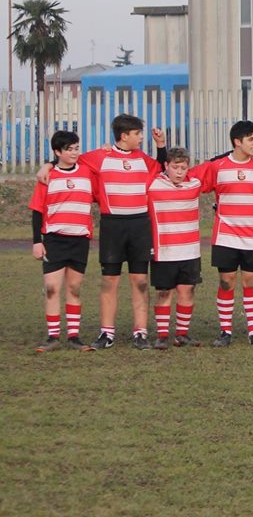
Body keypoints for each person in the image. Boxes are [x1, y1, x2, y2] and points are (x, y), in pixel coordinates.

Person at [38, 114, 167, 350]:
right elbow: (67, 160)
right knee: (109, 281)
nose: (140, 138)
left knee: (140, 281)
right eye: (137, 134)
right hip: (112, 225)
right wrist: (47, 164)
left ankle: (141, 333)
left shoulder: (143, 160)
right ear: (124, 136)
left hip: (139, 225)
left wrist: (161, 146)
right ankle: (107, 333)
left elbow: (163, 168)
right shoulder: (99, 158)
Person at [190, 120, 253, 347]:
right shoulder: (217, 167)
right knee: (227, 282)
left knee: (250, 281)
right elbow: (189, 178)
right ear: (237, 142)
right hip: (225, 235)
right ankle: (225, 331)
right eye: (250, 139)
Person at [29, 130, 96, 352]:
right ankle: (53, 336)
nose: (75, 153)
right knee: (51, 288)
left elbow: (103, 158)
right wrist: (36, 241)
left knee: (74, 288)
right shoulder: (47, 177)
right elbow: (37, 211)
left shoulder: (88, 172)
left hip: (79, 239)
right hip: (54, 240)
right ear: (57, 152)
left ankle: (74, 337)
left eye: (76, 148)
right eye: (69, 149)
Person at [147, 147, 204, 349]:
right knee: (164, 292)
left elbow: (214, 165)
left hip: (190, 250)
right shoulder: (153, 184)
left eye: (183, 167)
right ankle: (162, 335)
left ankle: (182, 334)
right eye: (175, 167)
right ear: (166, 166)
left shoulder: (195, 183)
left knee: (187, 290)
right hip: (164, 250)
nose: (180, 172)